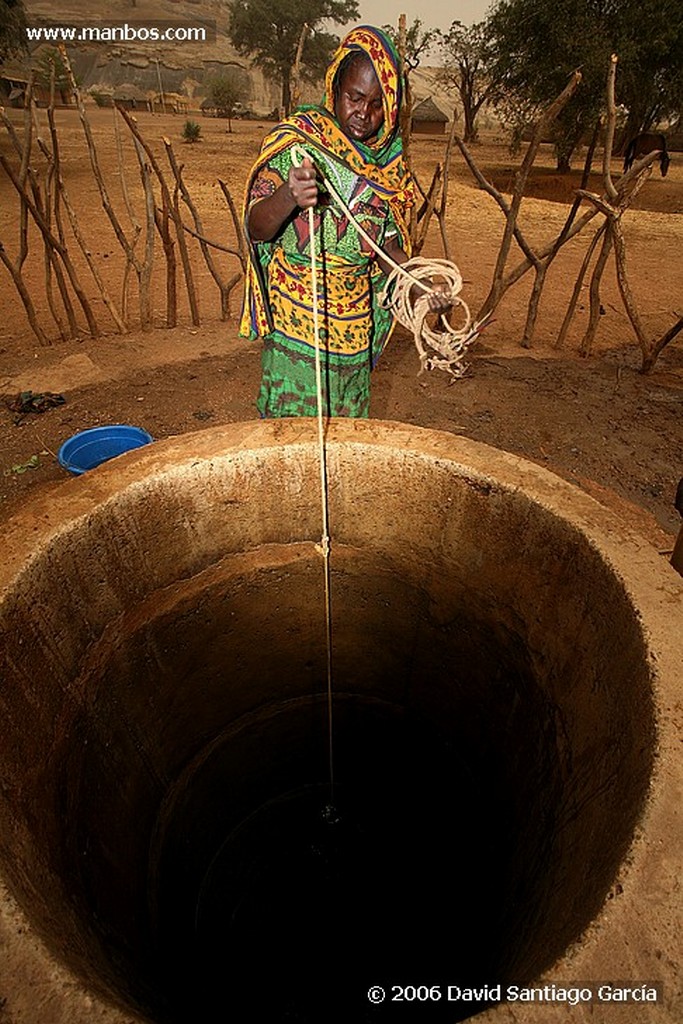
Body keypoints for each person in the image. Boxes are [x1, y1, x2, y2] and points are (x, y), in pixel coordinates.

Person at [239, 25, 451, 418]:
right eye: (355, 98)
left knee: (345, 444)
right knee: (289, 442)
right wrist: (289, 195)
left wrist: (419, 286)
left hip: (352, 333)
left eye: (376, 105)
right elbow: (257, 227)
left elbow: (386, 249)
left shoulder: (384, 167)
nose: (364, 114)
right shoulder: (299, 144)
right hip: (294, 329)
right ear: (335, 89)